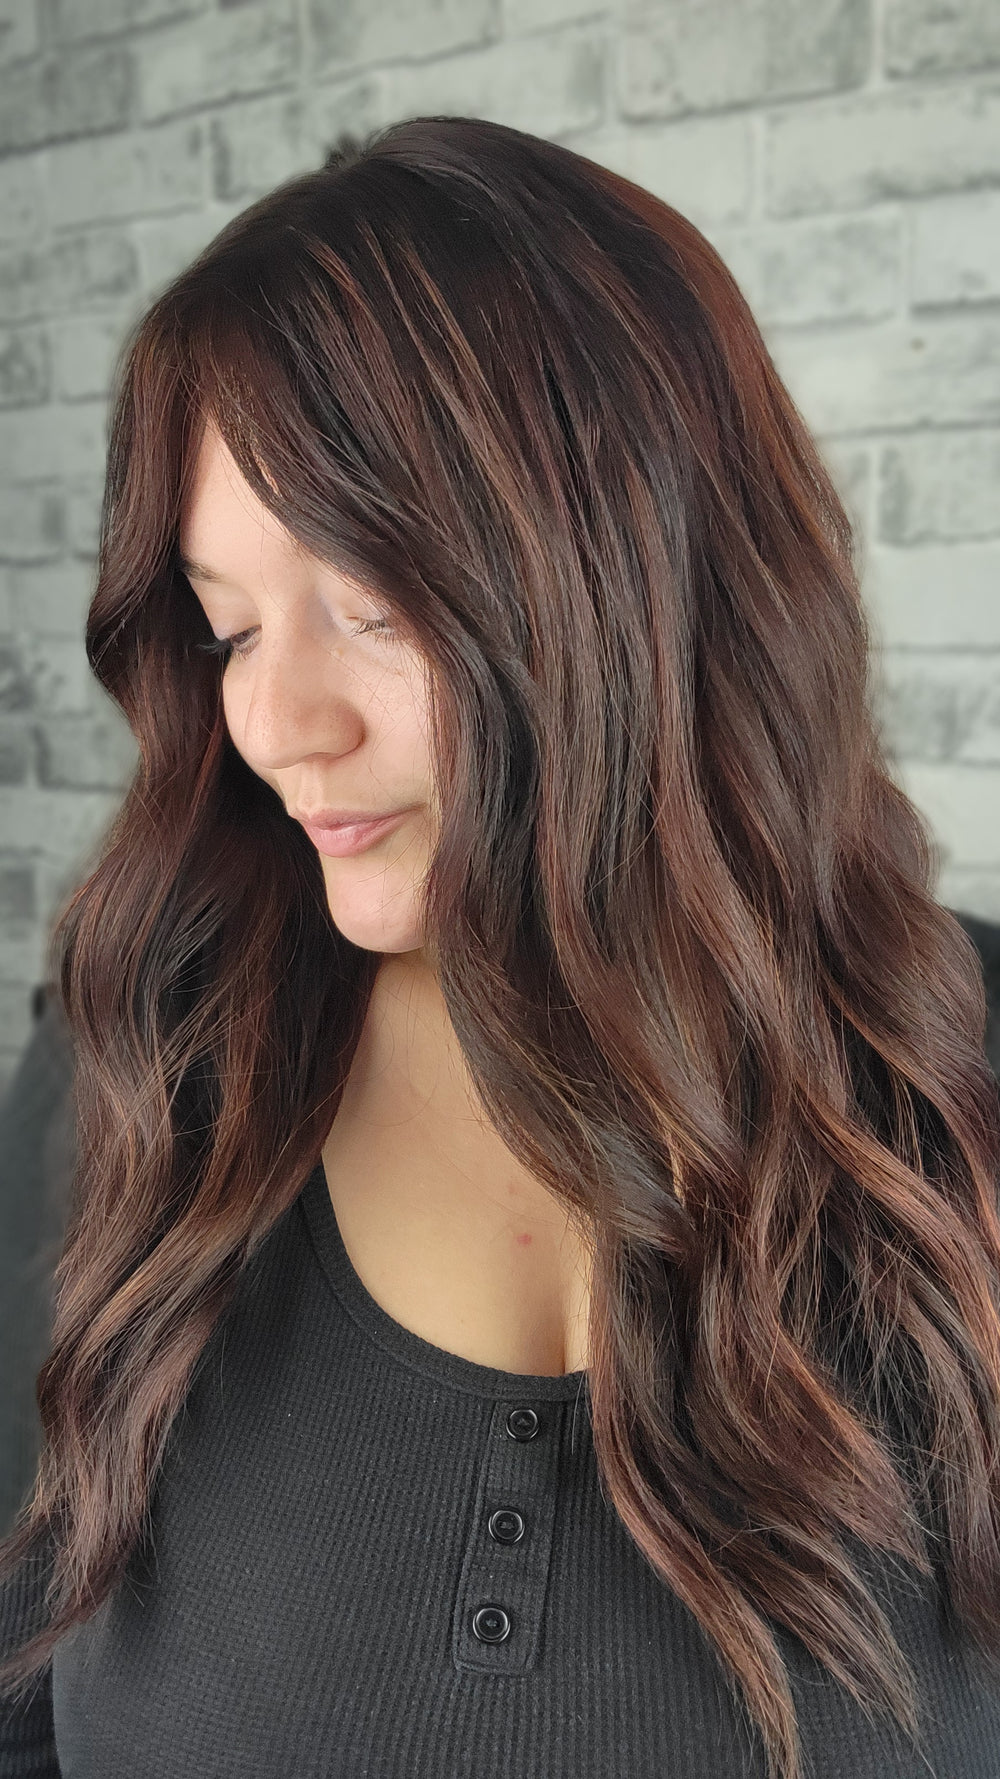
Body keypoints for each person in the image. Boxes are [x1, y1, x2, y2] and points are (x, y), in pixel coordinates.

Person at [1, 114, 1000, 1779]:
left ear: (646, 572)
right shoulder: (136, 1076)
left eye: (373, 605)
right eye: (228, 627)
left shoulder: (963, 1090)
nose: (277, 719)